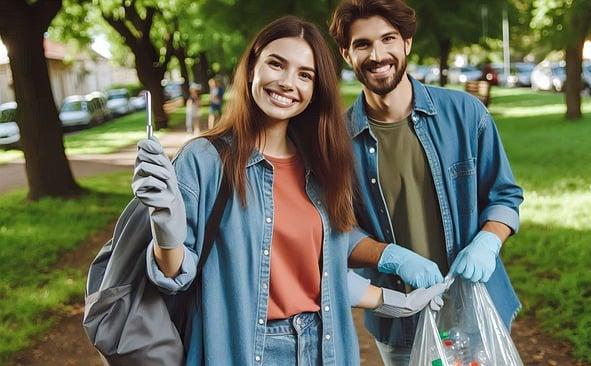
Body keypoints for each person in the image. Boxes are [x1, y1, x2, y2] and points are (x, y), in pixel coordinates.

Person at [132, 16, 445, 365]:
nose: (287, 83)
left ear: (315, 91)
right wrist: (165, 227)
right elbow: (174, 277)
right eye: (276, 64)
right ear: (252, 67)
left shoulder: (321, 161)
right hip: (248, 349)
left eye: (304, 74)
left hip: (325, 344)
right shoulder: (205, 160)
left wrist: (393, 286)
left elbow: (324, 258)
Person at [329, 0, 524, 365]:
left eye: (388, 39)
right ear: (345, 54)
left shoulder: (466, 114)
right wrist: (390, 257)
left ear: (406, 43)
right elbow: (335, 232)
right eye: (362, 44)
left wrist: (487, 241)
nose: (377, 54)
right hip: (401, 325)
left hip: (480, 314)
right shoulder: (336, 142)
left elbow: (505, 196)